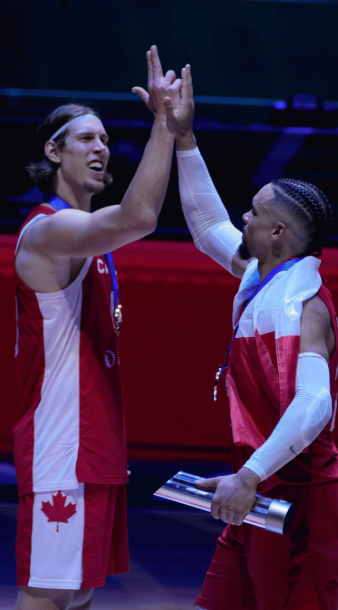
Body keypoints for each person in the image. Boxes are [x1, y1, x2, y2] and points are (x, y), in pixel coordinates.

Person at [163, 65, 338, 609]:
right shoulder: (261, 277)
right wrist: (184, 137)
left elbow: (314, 403)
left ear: (277, 232)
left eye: (254, 211)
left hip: (298, 504)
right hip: (260, 492)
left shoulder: (304, 306)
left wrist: (249, 475)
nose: (241, 216)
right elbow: (204, 223)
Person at [13, 46, 178, 610]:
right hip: (63, 440)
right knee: (47, 595)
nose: (101, 147)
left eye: (105, 139)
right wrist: (164, 124)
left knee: (80, 591)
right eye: (86, 138)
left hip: (97, 441)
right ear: (53, 151)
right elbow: (139, 217)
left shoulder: (92, 242)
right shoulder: (46, 232)